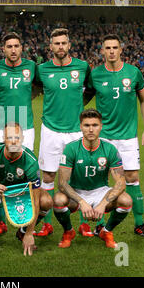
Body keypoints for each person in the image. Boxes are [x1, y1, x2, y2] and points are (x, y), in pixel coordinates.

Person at [84, 34, 144, 237]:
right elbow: (83, 100)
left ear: (121, 50)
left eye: (115, 47)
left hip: (127, 136)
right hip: (102, 137)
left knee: (132, 177)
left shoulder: (133, 73)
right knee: (99, 180)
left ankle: (139, 223)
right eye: (108, 48)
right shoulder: (95, 75)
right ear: (102, 51)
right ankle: (99, 223)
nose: (111, 51)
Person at [34, 28, 94, 237]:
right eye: (56, 43)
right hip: (51, 129)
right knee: (48, 176)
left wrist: (79, 105)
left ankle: (84, 223)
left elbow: (92, 89)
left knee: (79, 178)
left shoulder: (82, 67)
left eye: (63, 43)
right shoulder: (41, 69)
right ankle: (47, 224)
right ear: (50, 47)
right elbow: (33, 88)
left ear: (69, 45)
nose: (60, 47)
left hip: (76, 132)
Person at [0, 122, 53, 255]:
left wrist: (30, 234)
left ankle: (23, 232)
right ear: (3, 139)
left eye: (17, 138)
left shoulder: (30, 161)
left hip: (22, 190)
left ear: (23, 139)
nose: (13, 142)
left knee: (46, 201)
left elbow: (35, 201)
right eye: (10, 137)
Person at [54, 108, 132, 249]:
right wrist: (82, 202)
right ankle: (68, 232)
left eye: (95, 125)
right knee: (59, 200)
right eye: (87, 125)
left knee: (126, 201)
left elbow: (121, 183)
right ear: (81, 127)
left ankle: (106, 232)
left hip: (100, 191)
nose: (91, 129)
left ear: (101, 127)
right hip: (77, 192)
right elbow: (62, 183)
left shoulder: (110, 149)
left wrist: (102, 204)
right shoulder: (71, 148)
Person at [0, 32, 38, 236]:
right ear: (4, 49)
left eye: (16, 45)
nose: (13, 49)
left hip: (26, 126)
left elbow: (39, 88)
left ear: (21, 48)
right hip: (1, 126)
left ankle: (27, 221)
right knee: (0, 173)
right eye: (9, 46)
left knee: (25, 172)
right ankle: (2, 220)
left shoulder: (32, 67)